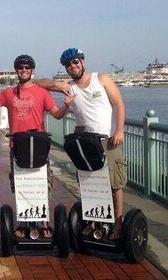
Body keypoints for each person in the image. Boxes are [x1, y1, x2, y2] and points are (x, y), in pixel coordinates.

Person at [35, 48, 126, 240]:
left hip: (107, 139)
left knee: (115, 182)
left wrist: (119, 130)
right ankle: (93, 220)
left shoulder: (101, 78)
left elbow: (118, 104)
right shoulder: (69, 87)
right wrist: (57, 84)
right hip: (85, 142)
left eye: (75, 62)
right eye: (68, 64)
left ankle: (118, 223)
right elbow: (37, 84)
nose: (72, 66)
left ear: (83, 61)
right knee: (88, 181)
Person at [0, 54, 73, 239]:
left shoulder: (42, 92)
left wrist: (66, 107)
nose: (24, 70)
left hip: (38, 145)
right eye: (20, 67)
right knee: (20, 183)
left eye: (27, 67)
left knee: (41, 183)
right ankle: (23, 222)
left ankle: (44, 221)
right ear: (16, 70)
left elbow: (57, 114)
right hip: (17, 145)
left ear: (32, 70)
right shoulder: (9, 93)